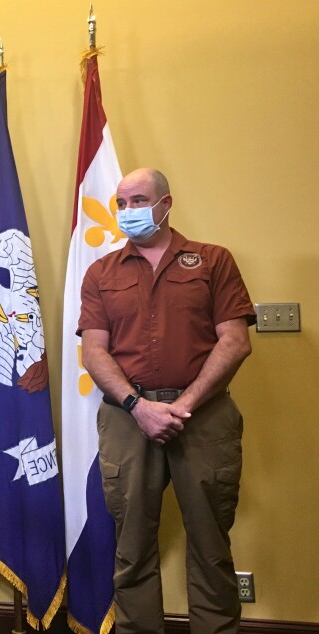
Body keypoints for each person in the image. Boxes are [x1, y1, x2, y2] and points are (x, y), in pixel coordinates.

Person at [77, 168, 255, 633]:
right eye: (122, 203)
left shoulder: (213, 261)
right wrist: (140, 407)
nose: (128, 211)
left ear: (166, 203)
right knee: (131, 550)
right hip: (126, 420)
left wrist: (185, 405)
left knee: (211, 548)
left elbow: (234, 341)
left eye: (139, 200)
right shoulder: (101, 273)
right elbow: (93, 351)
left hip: (204, 417)